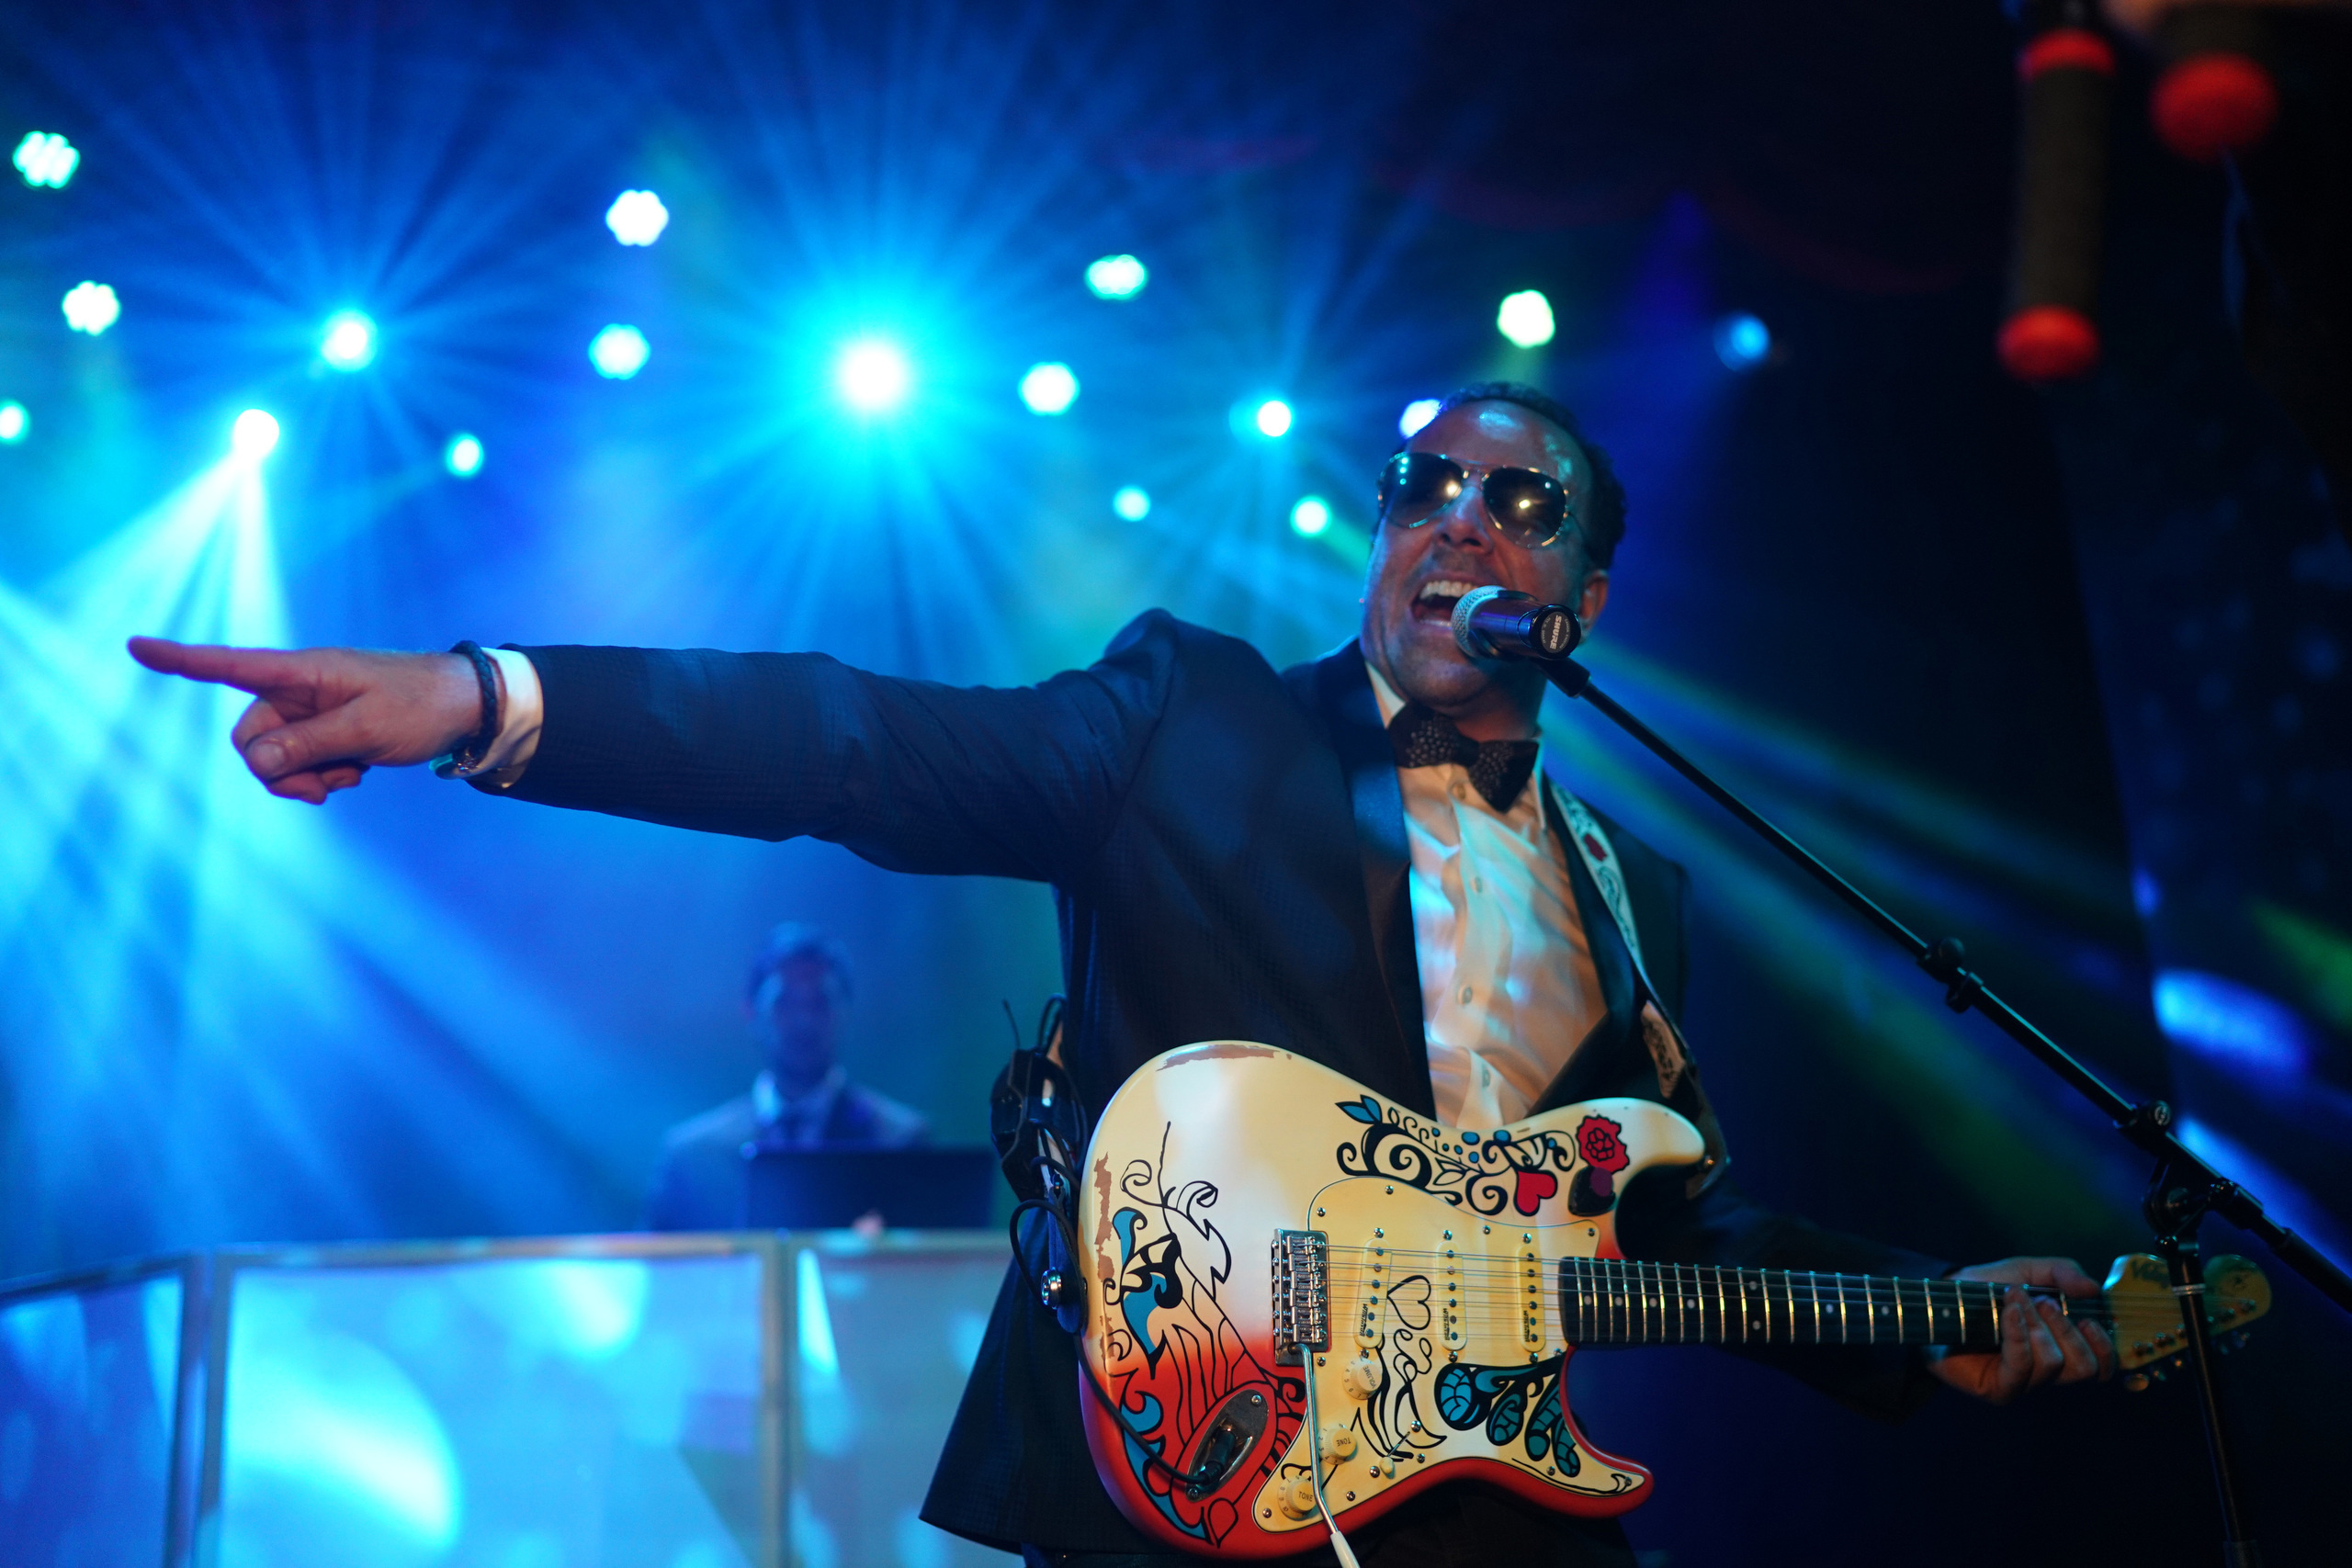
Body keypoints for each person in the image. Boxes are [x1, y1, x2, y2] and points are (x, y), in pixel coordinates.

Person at [130, 383, 2114, 1566]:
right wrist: (487, 698)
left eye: (1517, 504)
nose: (1456, 522)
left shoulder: (1625, 885)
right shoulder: (1194, 716)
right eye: (1422, 485)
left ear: (1581, 598)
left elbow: (1664, 1218)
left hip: (1488, 1506)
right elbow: (854, 741)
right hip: (1179, 1470)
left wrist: (1916, 1314)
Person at [644, 922, 928, 1232]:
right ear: (751, 1012)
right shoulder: (694, 1158)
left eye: (819, 1003)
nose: (803, 1020)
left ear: (844, 1011)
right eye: (785, 1003)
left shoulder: (899, 1142)